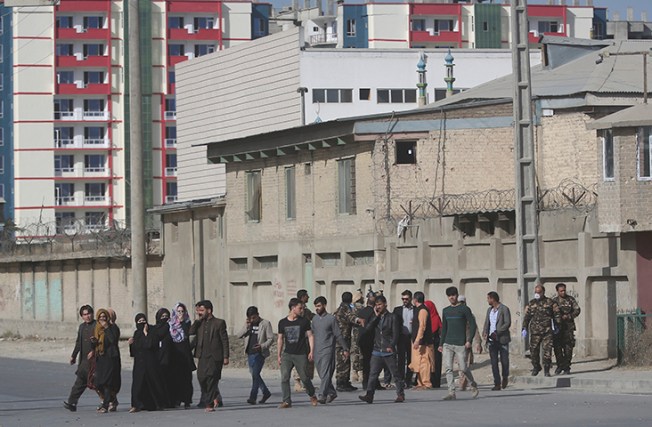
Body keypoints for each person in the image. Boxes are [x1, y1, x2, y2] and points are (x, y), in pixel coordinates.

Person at [358, 294, 405, 404]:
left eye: (380, 304)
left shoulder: (392, 317)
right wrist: (376, 316)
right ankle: (369, 395)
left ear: (385, 304)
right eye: (376, 305)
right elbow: (368, 329)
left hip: (388, 350)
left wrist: (392, 345)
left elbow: (396, 334)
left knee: (395, 373)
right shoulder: (376, 317)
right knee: (373, 374)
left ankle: (400, 394)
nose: (378, 307)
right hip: (377, 350)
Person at [439, 287, 479, 401]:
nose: (451, 297)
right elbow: (444, 328)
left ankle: (473, 384)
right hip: (448, 343)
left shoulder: (464, 309)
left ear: (457, 295)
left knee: (463, 368)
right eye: (449, 295)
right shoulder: (445, 310)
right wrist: (441, 344)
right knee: (448, 368)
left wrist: (469, 340)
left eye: (453, 295)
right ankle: (451, 392)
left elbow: (472, 325)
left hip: (460, 344)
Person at [277, 297, 318, 408]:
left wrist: (311, 351)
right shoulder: (282, 322)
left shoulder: (304, 321)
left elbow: (310, 336)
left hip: (301, 354)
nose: (302, 310)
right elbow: (280, 339)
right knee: (284, 377)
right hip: (287, 354)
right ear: (293, 308)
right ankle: (286, 401)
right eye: (300, 308)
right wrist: (279, 355)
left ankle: (312, 394)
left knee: (304, 378)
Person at [128, 313, 169, 412]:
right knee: (138, 385)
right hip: (139, 364)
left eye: (143, 321)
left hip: (151, 363)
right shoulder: (137, 333)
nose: (142, 323)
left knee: (153, 383)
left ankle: (156, 404)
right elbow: (134, 352)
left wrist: (146, 334)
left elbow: (150, 345)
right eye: (139, 322)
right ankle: (137, 404)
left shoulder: (153, 332)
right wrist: (131, 344)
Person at [194, 300, 230, 412]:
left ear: (209, 310)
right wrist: (197, 321)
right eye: (198, 310)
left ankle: (209, 404)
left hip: (215, 357)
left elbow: (225, 340)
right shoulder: (199, 323)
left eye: (202, 310)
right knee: (201, 378)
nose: (200, 312)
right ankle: (212, 397)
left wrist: (226, 356)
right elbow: (190, 332)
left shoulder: (219, 323)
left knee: (211, 379)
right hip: (202, 356)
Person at [313, 296, 349, 404]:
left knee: (325, 373)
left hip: (327, 350)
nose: (317, 308)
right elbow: (312, 334)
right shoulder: (314, 319)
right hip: (317, 350)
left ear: (324, 305)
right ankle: (332, 392)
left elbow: (338, 334)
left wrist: (345, 348)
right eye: (316, 307)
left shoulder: (331, 319)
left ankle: (321, 395)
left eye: (319, 306)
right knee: (322, 374)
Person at [522, 284, 561, 377]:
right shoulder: (531, 303)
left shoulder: (550, 302)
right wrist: (524, 327)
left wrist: (557, 325)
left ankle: (547, 370)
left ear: (543, 292)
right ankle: (536, 367)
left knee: (547, 351)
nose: (537, 294)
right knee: (533, 351)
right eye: (536, 292)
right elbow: (527, 317)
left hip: (547, 331)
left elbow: (557, 314)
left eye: (539, 292)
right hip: (535, 332)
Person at [237, 306, 273, 405]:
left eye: (254, 318)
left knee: (255, 374)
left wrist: (262, 346)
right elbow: (239, 335)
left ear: (257, 314)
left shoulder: (265, 324)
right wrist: (247, 326)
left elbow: (271, 338)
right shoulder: (248, 324)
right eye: (250, 318)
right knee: (254, 374)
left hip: (259, 353)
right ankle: (266, 392)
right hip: (250, 352)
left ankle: (253, 397)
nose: (252, 320)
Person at [64, 305, 96, 412]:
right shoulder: (82, 327)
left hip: (96, 361)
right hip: (84, 360)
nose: (87, 316)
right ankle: (72, 402)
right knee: (79, 382)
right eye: (85, 314)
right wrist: (73, 356)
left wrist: (94, 351)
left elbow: (102, 343)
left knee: (98, 383)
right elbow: (78, 343)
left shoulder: (97, 326)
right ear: (82, 316)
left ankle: (110, 401)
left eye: (89, 314)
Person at [91, 308, 121, 413]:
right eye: (100, 317)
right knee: (98, 382)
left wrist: (107, 328)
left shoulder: (113, 328)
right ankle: (113, 400)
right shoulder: (97, 328)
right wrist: (94, 342)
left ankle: (105, 405)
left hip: (111, 358)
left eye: (104, 317)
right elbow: (96, 344)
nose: (102, 319)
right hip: (101, 357)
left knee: (107, 382)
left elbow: (113, 340)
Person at [168, 302, 196, 408]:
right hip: (175, 355)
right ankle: (177, 399)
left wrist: (181, 323)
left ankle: (187, 400)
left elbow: (190, 337)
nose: (180, 313)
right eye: (178, 311)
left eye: (182, 311)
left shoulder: (187, 323)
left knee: (187, 379)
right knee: (176, 379)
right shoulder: (171, 324)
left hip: (186, 355)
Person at [482, 291, 511, 390]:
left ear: (493, 299)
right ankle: (497, 383)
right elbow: (487, 322)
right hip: (492, 340)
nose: (487, 300)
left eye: (488, 298)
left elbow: (507, 323)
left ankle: (505, 376)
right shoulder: (489, 310)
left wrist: (497, 332)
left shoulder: (504, 309)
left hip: (502, 339)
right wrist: (485, 332)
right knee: (494, 362)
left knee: (504, 361)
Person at [335, 291, 363, 392]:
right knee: (342, 361)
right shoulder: (345, 308)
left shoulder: (340, 308)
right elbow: (351, 318)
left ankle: (346, 382)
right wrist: (360, 321)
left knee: (345, 361)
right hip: (342, 339)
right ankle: (341, 383)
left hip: (343, 338)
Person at [552, 283, 581, 375]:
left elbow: (577, 310)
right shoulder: (554, 301)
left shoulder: (570, 300)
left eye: (564, 290)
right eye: (561, 291)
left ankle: (567, 367)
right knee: (557, 349)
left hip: (568, 328)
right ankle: (560, 365)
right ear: (557, 291)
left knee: (568, 349)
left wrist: (569, 316)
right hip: (558, 329)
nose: (563, 292)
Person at [409, 291, 434, 389]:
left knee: (424, 362)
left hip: (423, 343)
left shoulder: (423, 310)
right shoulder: (418, 309)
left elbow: (422, 326)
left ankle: (426, 383)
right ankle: (420, 383)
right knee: (418, 362)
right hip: (418, 342)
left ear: (415, 299)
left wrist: (417, 339)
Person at [457, 295, 482, 391]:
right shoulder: (454, 313)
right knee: (460, 365)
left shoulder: (470, 315)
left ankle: (464, 383)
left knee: (465, 365)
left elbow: (474, 329)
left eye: (462, 302)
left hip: (467, 343)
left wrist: (478, 343)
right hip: (457, 343)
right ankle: (463, 382)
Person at [392, 290, 414, 388]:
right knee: (400, 359)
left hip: (411, 337)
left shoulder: (415, 309)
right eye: (403, 299)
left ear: (410, 299)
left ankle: (408, 380)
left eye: (406, 299)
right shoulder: (397, 310)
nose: (404, 301)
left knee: (411, 359)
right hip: (401, 337)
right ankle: (400, 379)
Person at [294, 289, 315, 392]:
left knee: (309, 360)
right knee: (299, 360)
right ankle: (297, 383)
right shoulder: (297, 309)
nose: (308, 297)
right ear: (302, 297)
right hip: (299, 339)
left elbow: (312, 317)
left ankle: (307, 383)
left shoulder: (306, 310)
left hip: (307, 338)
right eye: (307, 296)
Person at [357, 290, 377, 390]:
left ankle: (366, 383)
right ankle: (372, 383)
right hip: (370, 340)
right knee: (373, 362)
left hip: (362, 340)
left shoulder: (361, 311)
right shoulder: (373, 313)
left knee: (365, 362)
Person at [424, 300, 442, 388]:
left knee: (436, 362)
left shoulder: (436, 318)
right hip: (426, 344)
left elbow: (440, 330)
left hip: (435, 343)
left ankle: (436, 382)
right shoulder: (424, 317)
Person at [350, 290, 365, 383]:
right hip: (360, 332)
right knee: (360, 353)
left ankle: (355, 372)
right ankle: (360, 372)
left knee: (355, 353)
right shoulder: (361, 308)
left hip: (355, 333)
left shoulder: (351, 309)